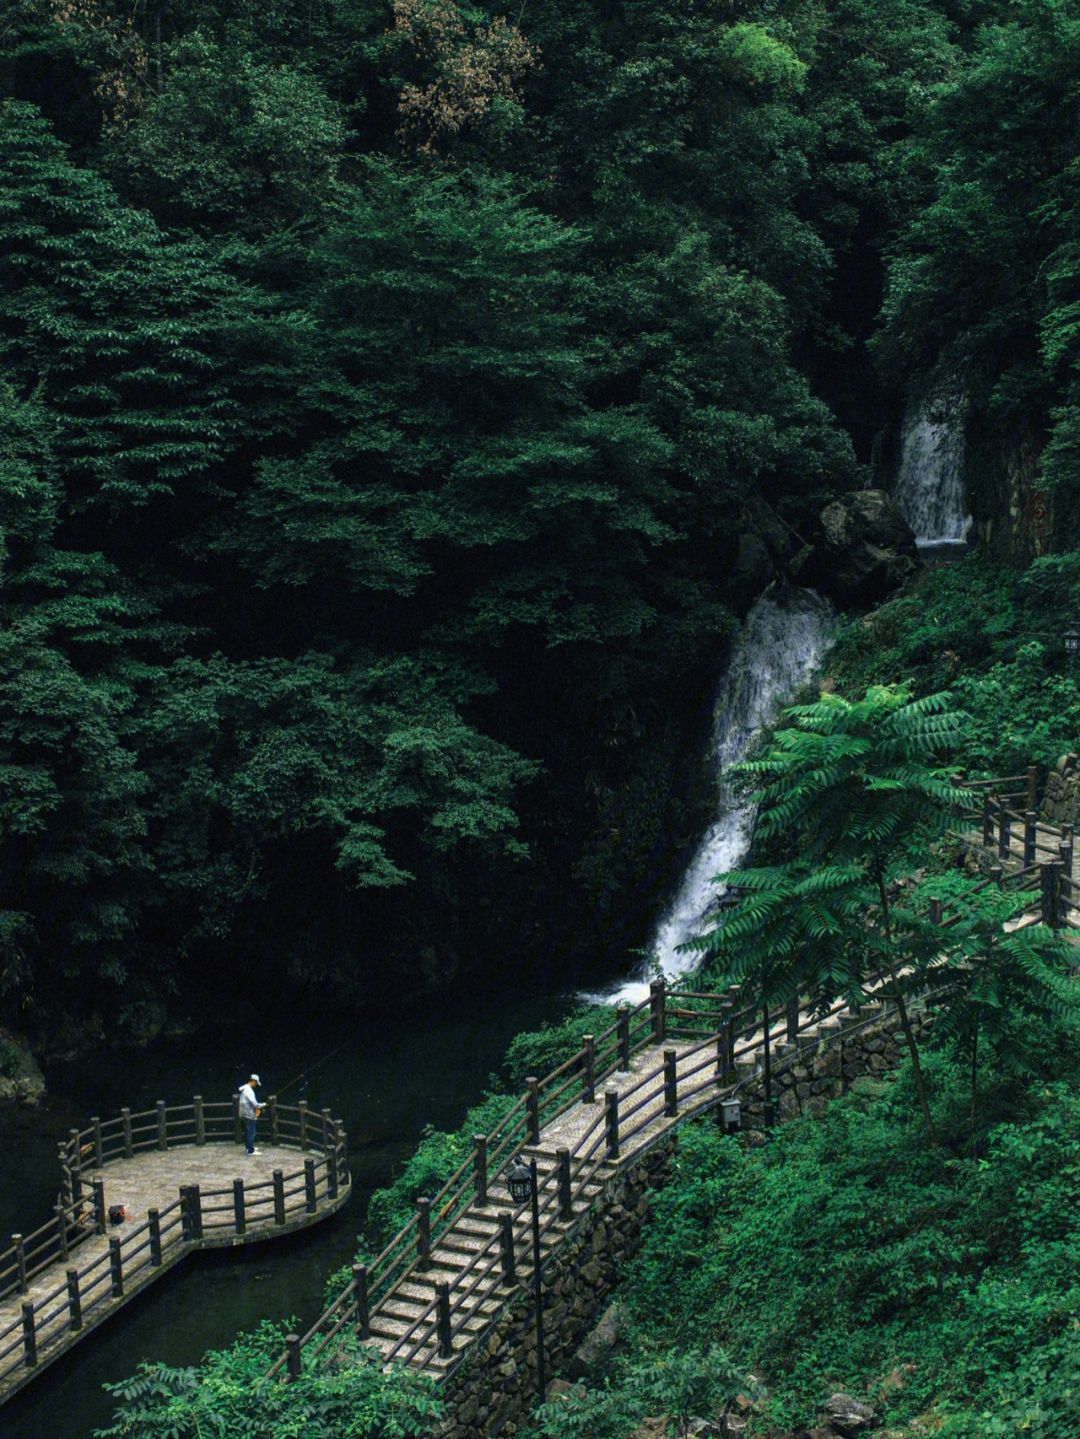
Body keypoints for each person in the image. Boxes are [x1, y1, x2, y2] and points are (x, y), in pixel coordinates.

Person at [239, 1073, 262, 1155]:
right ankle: (251, 1150)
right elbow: (255, 1104)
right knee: (251, 1132)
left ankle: (249, 1147)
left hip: (243, 1113)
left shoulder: (244, 1089)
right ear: (253, 1081)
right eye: (256, 1083)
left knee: (247, 1131)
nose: (256, 1085)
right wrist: (263, 1104)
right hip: (249, 1114)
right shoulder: (249, 1091)